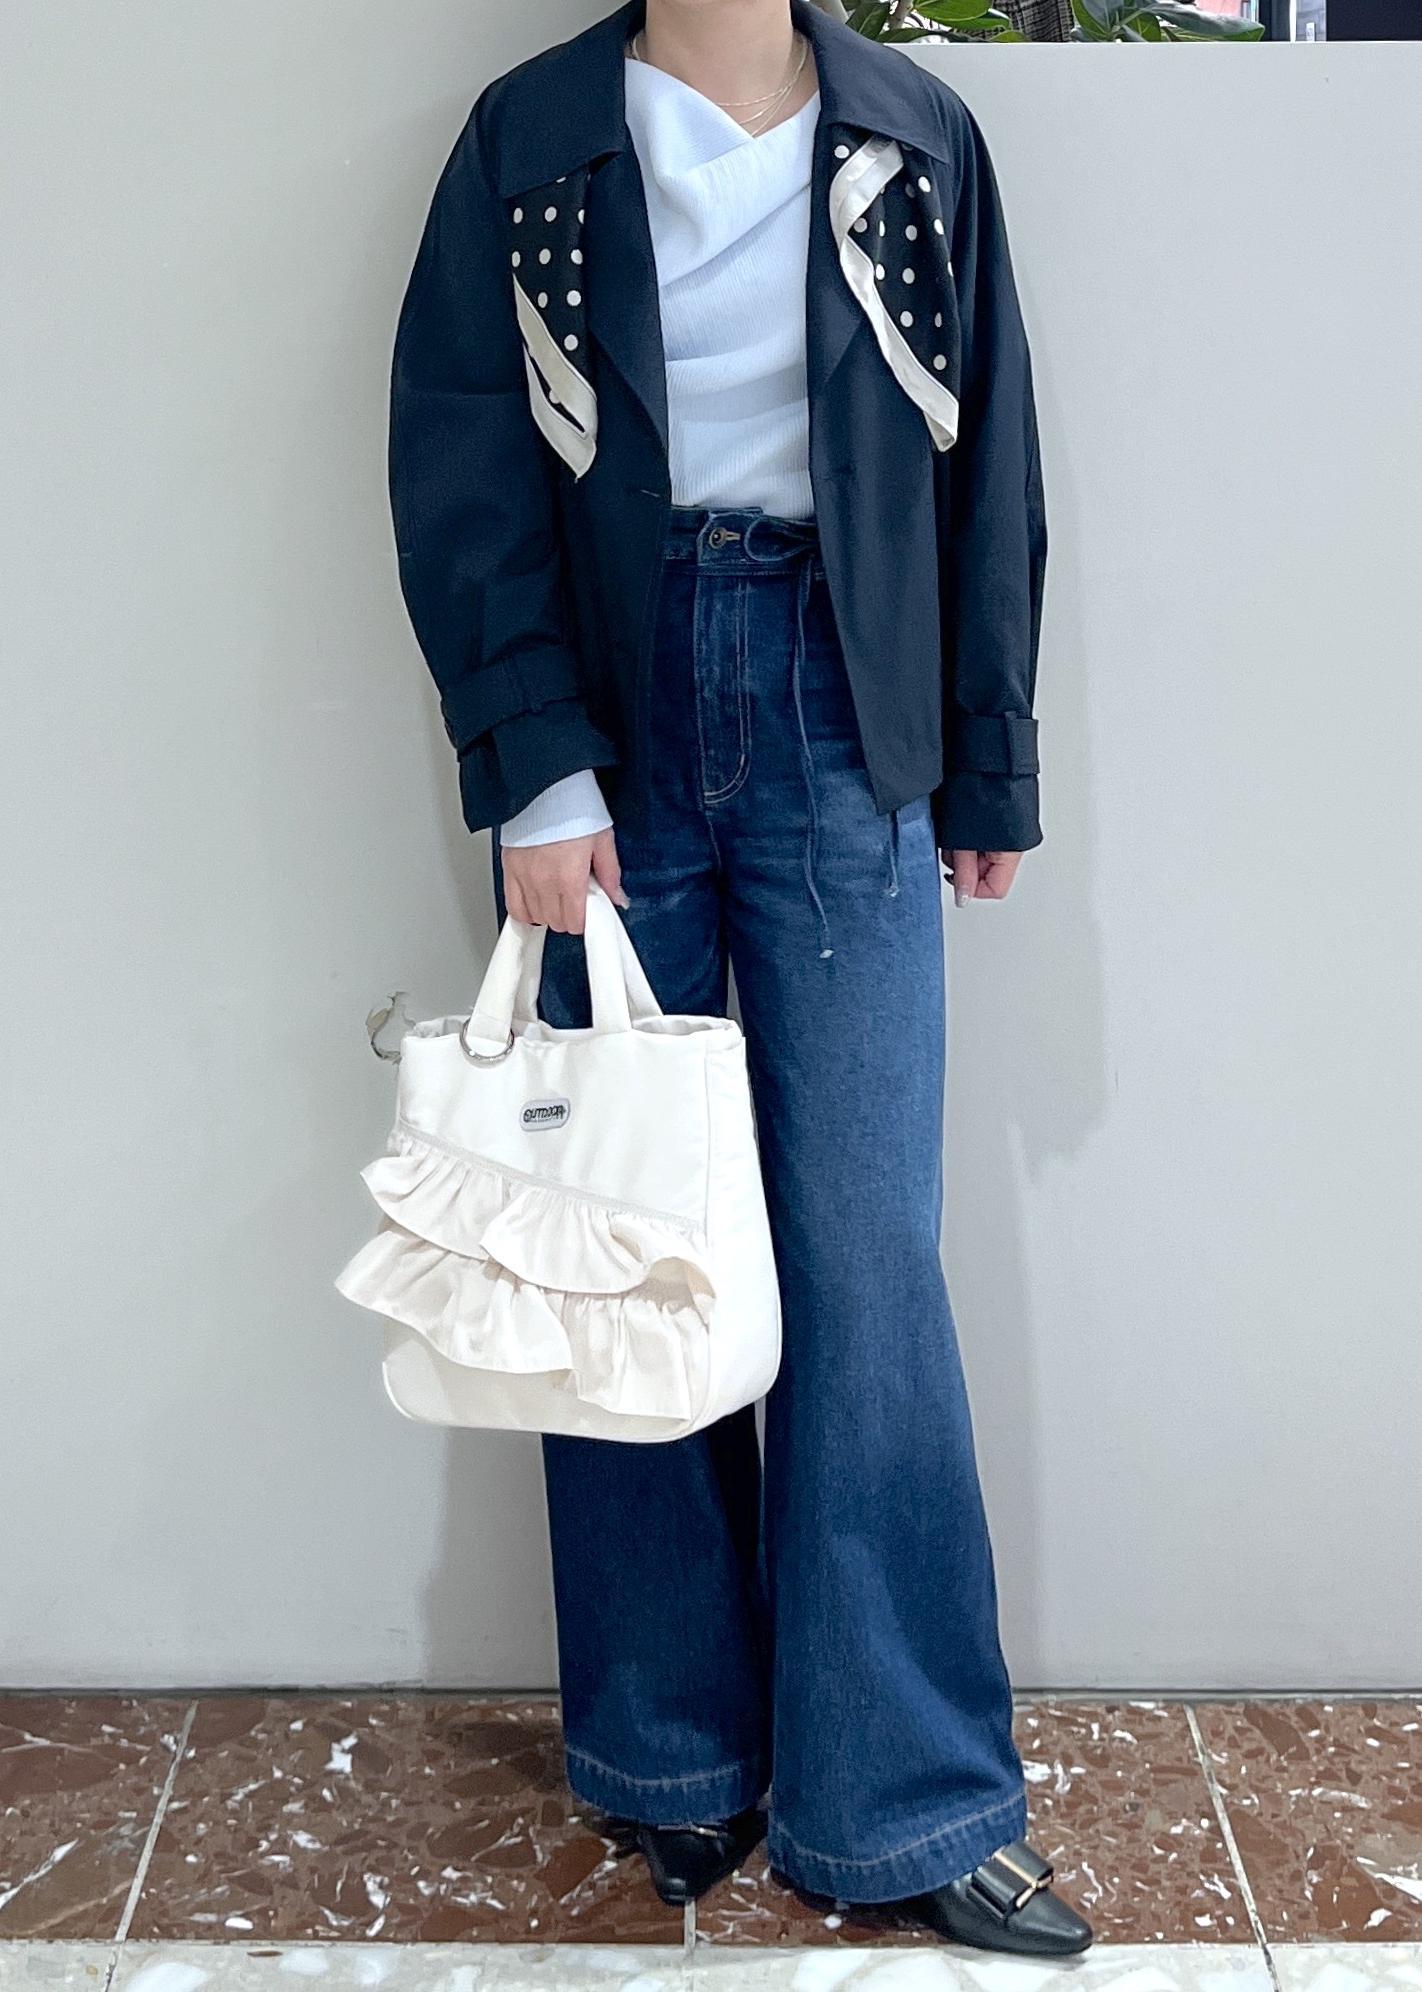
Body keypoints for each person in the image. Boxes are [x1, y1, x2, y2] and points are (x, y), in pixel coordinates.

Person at [388, 0, 1090, 1954]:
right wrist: (534, 767)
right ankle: (670, 1754)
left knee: (864, 1253)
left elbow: (991, 457)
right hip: (615, 713)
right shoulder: (534, 136)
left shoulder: (913, 135)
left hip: (846, 715)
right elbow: (463, 459)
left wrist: (988, 757)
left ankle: (907, 1796)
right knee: (628, 1236)